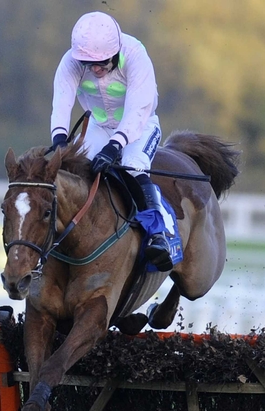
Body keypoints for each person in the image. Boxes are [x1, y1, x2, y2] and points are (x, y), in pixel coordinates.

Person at [49, 11, 173, 271]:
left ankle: (158, 236)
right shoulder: (70, 62)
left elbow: (138, 110)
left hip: (139, 126)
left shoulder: (136, 55)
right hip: (98, 124)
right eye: (87, 64)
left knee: (133, 165)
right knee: (75, 171)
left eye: (101, 63)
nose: (94, 69)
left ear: (115, 52)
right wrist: (60, 142)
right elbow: (61, 103)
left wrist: (115, 145)